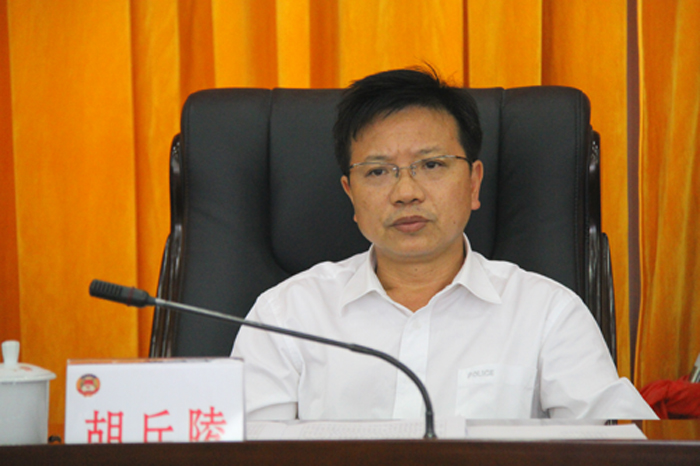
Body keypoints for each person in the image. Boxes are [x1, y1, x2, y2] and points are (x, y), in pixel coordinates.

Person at [231, 67, 656, 421]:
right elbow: (242, 456)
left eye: (432, 165)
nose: (406, 192)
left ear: (473, 183)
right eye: (378, 172)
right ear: (351, 195)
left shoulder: (547, 313)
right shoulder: (285, 316)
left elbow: (607, 453)